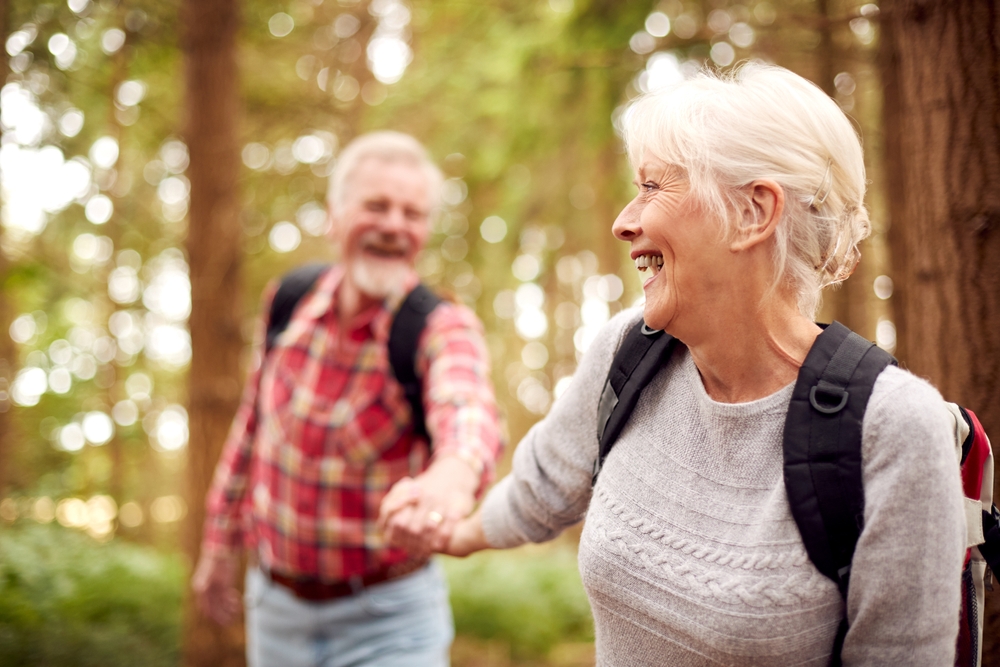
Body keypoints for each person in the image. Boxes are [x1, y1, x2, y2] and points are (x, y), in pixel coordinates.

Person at [386, 64, 966, 665]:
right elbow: (542, 490)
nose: (623, 221)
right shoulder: (627, 352)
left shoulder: (894, 428)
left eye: (654, 188)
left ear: (752, 213)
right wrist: (447, 533)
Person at [192, 131, 503, 667]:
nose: (393, 226)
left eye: (412, 213)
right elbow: (252, 428)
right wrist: (219, 546)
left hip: (390, 620)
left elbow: (467, 412)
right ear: (333, 216)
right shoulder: (289, 302)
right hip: (275, 611)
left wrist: (450, 479)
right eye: (377, 206)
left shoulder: (438, 328)